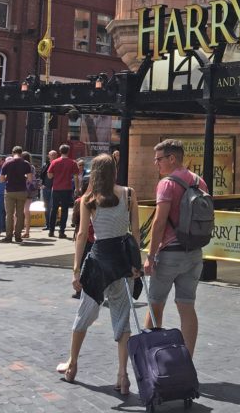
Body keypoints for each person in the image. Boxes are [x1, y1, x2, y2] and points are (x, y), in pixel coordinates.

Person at [55, 154, 140, 394]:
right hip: (122, 263)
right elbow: (135, 232)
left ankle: (72, 364)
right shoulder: (130, 194)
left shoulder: (88, 199)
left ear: (94, 173)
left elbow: (82, 235)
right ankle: (123, 376)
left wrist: (75, 269)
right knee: (122, 320)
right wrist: (137, 263)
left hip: (98, 262)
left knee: (84, 315)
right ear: (114, 171)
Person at [143, 139, 207, 355]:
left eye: (159, 159)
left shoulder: (167, 183)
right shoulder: (200, 182)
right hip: (194, 253)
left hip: (169, 254)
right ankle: (187, 360)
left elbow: (159, 222)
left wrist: (150, 257)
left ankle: (151, 359)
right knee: (187, 306)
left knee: (155, 305)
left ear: (172, 158)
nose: (156, 164)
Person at [0, 146, 33, 243]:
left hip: (10, 191)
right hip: (22, 190)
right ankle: (18, 236)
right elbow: (30, 179)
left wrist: (7, 178)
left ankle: (8, 236)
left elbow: (1, 179)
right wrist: (24, 177)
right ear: (21, 153)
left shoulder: (7, 163)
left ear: (12, 153)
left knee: (9, 214)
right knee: (20, 214)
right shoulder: (26, 164)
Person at [48, 144, 81, 239]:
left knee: (54, 209)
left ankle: (51, 230)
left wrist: (56, 175)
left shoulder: (54, 162)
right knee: (64, 210)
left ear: (60, 151)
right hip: (67, 188)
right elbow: (76, 176)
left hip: (56, 188)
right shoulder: (73, 162)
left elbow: (50, 176)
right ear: (68, 151)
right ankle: (61, 231)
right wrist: (77, 188)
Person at [41, 149, 56, 233]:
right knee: (46, 206)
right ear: (48, 156)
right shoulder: (45, 165)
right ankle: (47, 224)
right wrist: (42, 184)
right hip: (46, 187)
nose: (53, 156)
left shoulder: (57, 164)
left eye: (54, 155)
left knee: (52, 206)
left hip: (54, 188)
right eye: (51, 155)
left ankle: (51, 224)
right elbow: (42, 175)